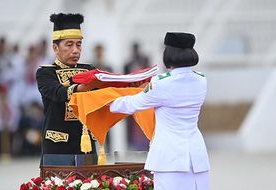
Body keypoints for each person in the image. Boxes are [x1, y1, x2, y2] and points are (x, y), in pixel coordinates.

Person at [110, 32, 210, 190]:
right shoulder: (201, 80)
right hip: (196, 158)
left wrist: (106, 101)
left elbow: (132, 104)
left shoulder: (161, 83)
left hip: (170, 159)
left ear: (168, 54)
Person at [36, 13, 98, 166]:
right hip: (58, 146)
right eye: (69, 45)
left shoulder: (89, 70)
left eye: (79, 44)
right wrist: (82, 87)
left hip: (86, 145)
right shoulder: (45, 73)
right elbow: (58, 93)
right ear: (55, 48)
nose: (76, 50)